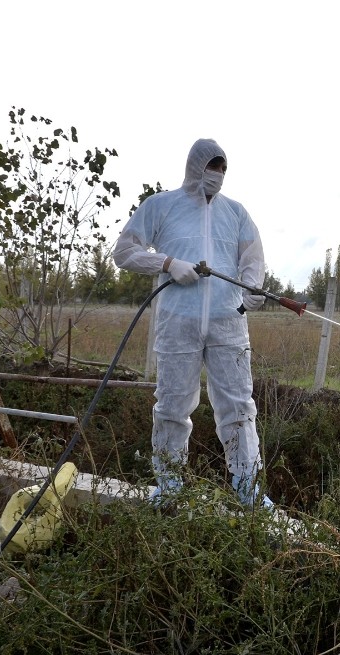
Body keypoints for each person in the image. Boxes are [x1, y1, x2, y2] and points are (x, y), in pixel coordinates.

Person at [113, 138, 272, 508]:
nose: (217, 174)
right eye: (211, 166)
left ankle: (247, 487)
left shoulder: (236, 213)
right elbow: (124, 252)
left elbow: (253, 257)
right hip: (177, 322)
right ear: (195, 166)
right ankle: (169, 484)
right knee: (171, 405)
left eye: (222, 168)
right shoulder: (161, 206)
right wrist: (167, 263)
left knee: (239, 406)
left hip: (227, 321)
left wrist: (252, 288)